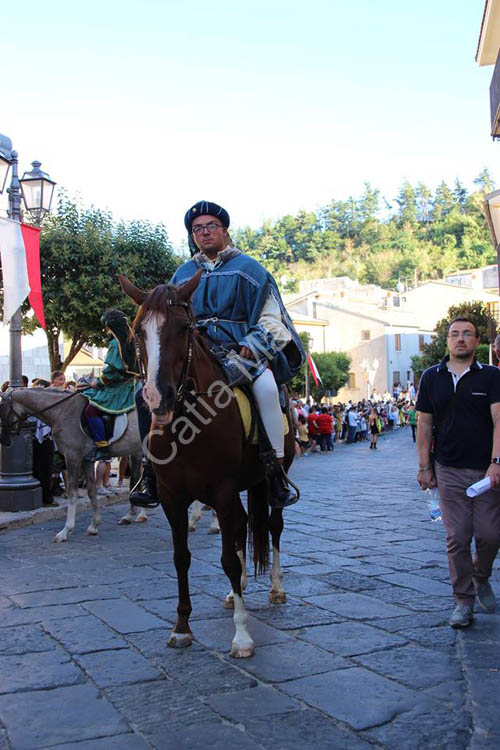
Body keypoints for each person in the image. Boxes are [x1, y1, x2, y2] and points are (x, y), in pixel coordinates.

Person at [131, 201, 305, 509]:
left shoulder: (251, 270)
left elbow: (272, 320)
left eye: (210, 226)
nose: (204, 233)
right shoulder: (182, 274)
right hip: (194, 354)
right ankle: (151, 472)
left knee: (265, 389)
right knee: (144, 395)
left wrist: (254, 343)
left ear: (224, 230)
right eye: (197, 229)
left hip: (243, 353)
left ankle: (274, 470)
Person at [416, 316, 500, 629]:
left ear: (477, 342)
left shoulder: (491, 376)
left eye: (467, 334)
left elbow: (499, 421)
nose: (460, 339)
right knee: (457, 537)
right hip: (448, 468)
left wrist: (497, 461)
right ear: (447, 341)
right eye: (454, 334)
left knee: (491, 535)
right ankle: (463, 602)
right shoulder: (431, 377)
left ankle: (480, 576)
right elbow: (424, 423)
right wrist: (424, 466)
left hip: (486, 469)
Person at [82, 310, 139, 460]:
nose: (105, 331)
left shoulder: (115, 343)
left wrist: (98, 382)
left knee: (90, 410)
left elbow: (113, 371)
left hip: (120, 388)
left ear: (111, 327)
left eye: (106, 327)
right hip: (131, 384)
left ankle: (102, 447)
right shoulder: (132, 340)